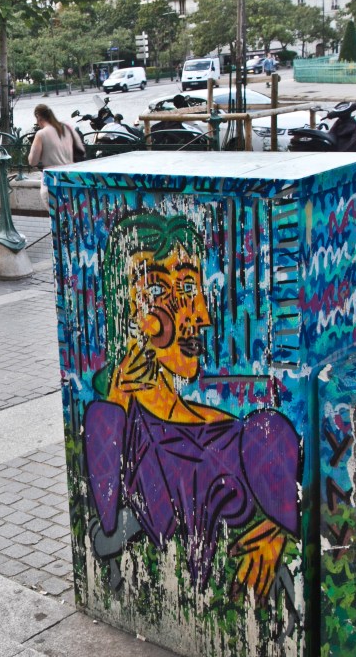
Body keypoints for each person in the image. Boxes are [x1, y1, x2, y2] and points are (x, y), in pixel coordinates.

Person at [82, 213, 299, 598]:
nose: (200, 315)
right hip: (171, 607)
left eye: (193, 288)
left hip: (244, 618)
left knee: (268, 427)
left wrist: (278, 531)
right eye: (173, 289)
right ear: (130, 312)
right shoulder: (115, 423)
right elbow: (107, 528)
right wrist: (114, 403)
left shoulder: (251, 435)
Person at [28, 104, 84, 207]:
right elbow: (81, 150)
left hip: (52, 182)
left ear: (38, 117)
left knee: (56, 220)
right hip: (71, 179)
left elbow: (32, 161)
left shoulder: (41, 134)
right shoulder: (68, 128)